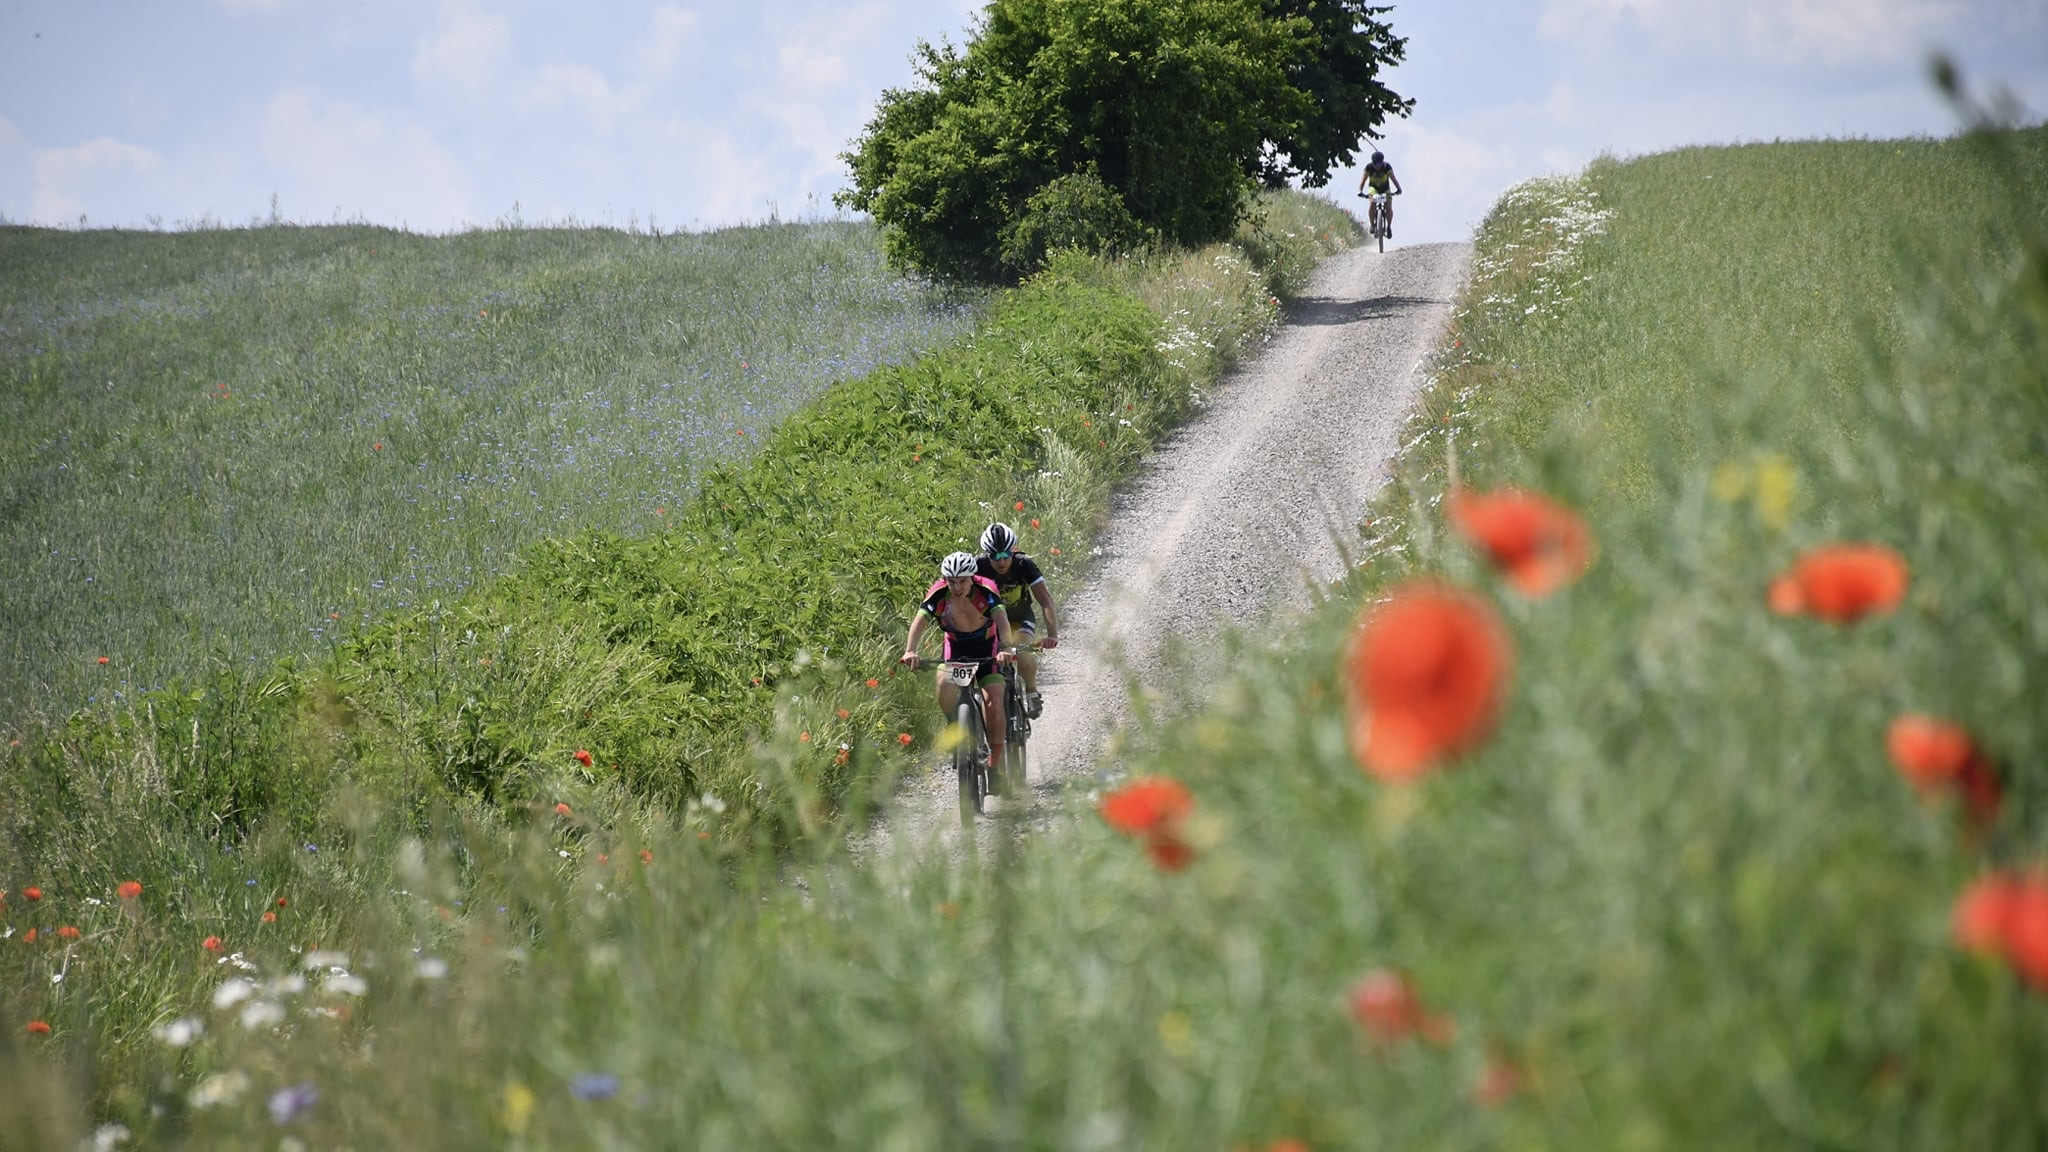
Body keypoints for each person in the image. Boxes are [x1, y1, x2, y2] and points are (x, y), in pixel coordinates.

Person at [901, 551, 1015, 770]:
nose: (957, 587)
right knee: (944, 683)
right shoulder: (939, 593)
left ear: (972, 577)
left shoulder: (986, 589)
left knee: (993, 701)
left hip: (987, 645)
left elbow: (1001, 619)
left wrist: (1006, 647)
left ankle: (996, 760)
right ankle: (954, 726)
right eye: (951, 582)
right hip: (956, 646)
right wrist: (910, 651)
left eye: (962, 581)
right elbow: (920, 620)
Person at [975, 522, 1059, 718]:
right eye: (995, 556)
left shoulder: (1024, 564)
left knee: (1022, 651)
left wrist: (1052, 635)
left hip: (1020, 618)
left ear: (1013, 551)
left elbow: (1045, 600)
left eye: (1006, 555)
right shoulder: (978, 567)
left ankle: (1031, 691)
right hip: (991, 622)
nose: (1001, 561)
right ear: (987, 554)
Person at [1355, 150, 1403, 239]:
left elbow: (1393, 179)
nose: (1377, 166)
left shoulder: (1387, 167)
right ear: (1372, 162)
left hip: (1385, 189)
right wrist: (1360, 190)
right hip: (1374, 188)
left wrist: (1399, 189)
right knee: (1372, 203)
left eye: (1379, 164)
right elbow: (1363, 180)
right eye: (1375, 164)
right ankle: (1372, 224)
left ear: (1382, 162)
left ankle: (1388, 227)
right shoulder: (1368, 167)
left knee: (1388, 207)